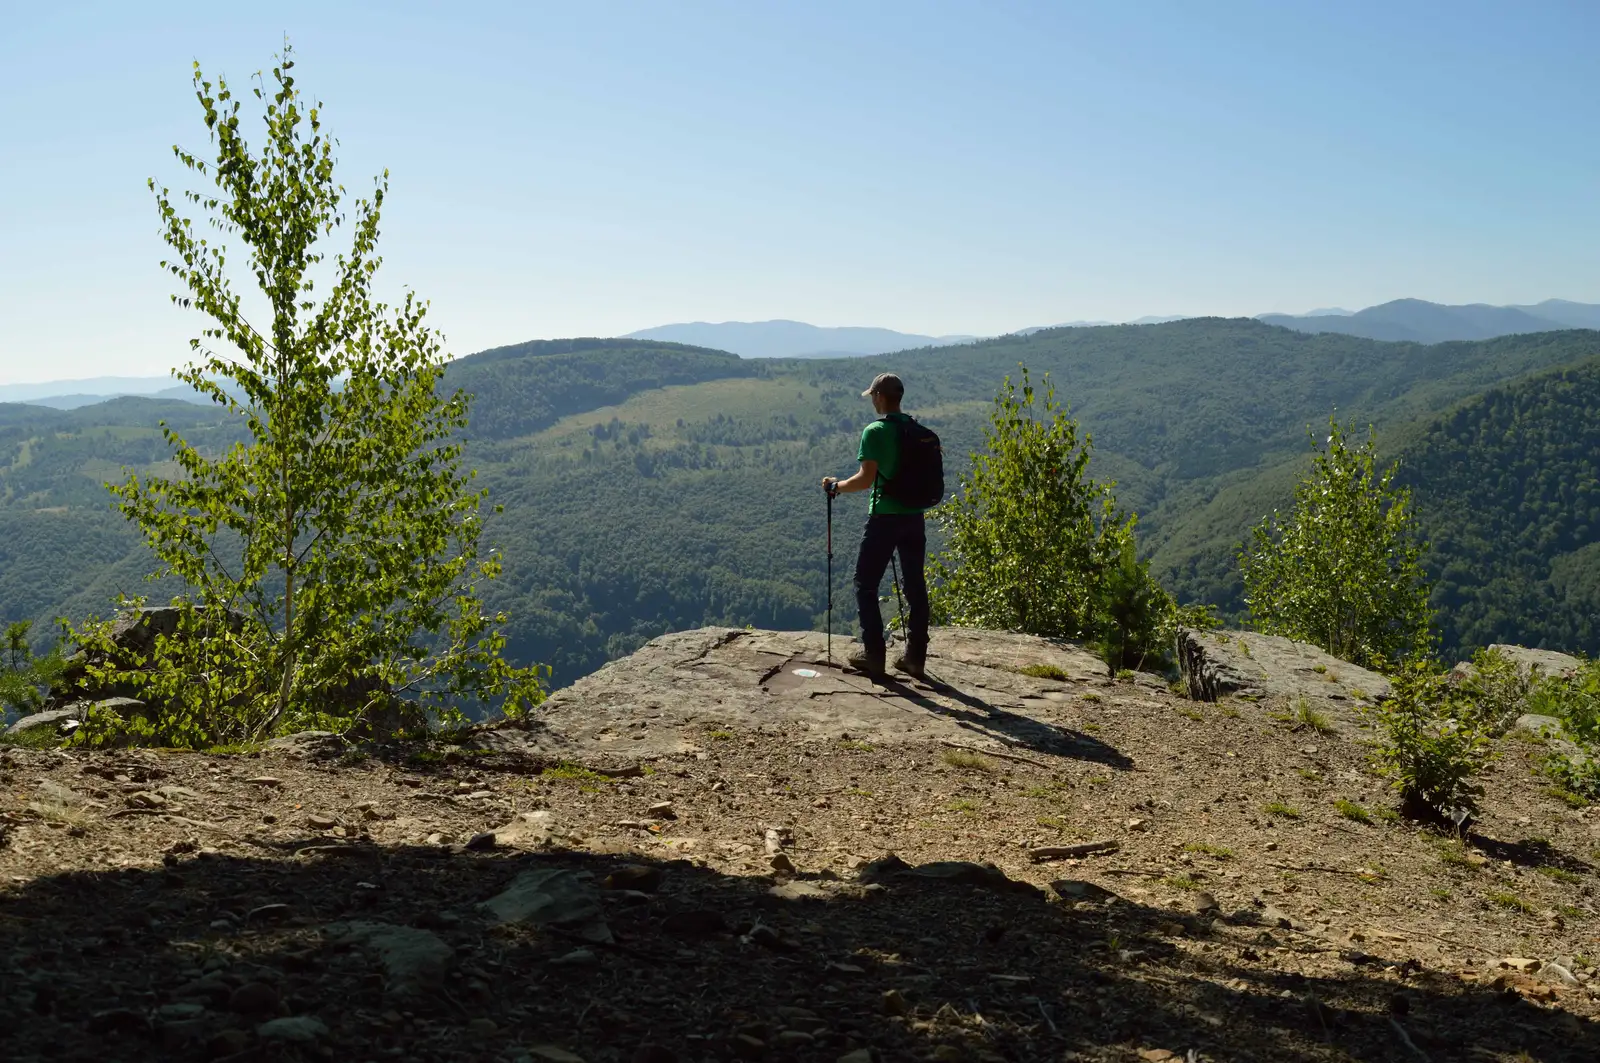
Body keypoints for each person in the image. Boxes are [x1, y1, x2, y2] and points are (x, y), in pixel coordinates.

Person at [821, 372, 931, 681]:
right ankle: (914, 658)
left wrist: (836, 487)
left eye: (873, 395)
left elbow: (865, 479)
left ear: (881, 397)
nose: (872, 400)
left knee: (865, 584)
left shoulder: (875, 431)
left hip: (885, 517)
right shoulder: (914, 429)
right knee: (915, 586)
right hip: (914, 516)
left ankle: (874, 654)